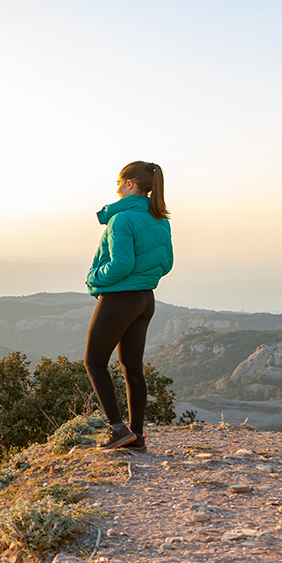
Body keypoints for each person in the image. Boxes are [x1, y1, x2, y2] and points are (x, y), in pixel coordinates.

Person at [84, 160, 173, 451]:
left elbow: (122, 263)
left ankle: (118, 429)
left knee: (95, 362)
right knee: (132, 369)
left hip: (120, 297)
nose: (117, 188)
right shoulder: (159, 218)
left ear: (130, 184)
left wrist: (96, 277)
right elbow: (166, 263)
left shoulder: (121, 219)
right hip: (145, 298)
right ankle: (137, 435)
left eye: (119, 182)